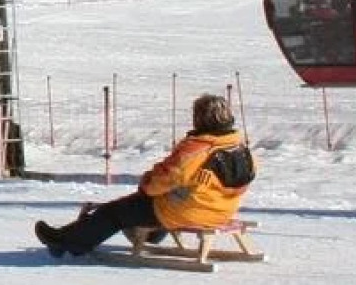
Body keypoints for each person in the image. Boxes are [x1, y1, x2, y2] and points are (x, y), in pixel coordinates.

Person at [34, 94, 254, 257]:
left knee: (113, 212)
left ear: (200, 118)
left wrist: (147, 182)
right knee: (141, 204)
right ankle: (151, 235)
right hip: (221, 210)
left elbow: (164, 180)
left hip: (188, 211)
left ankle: (66, 242)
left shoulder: (197, 149)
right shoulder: (239, 146)